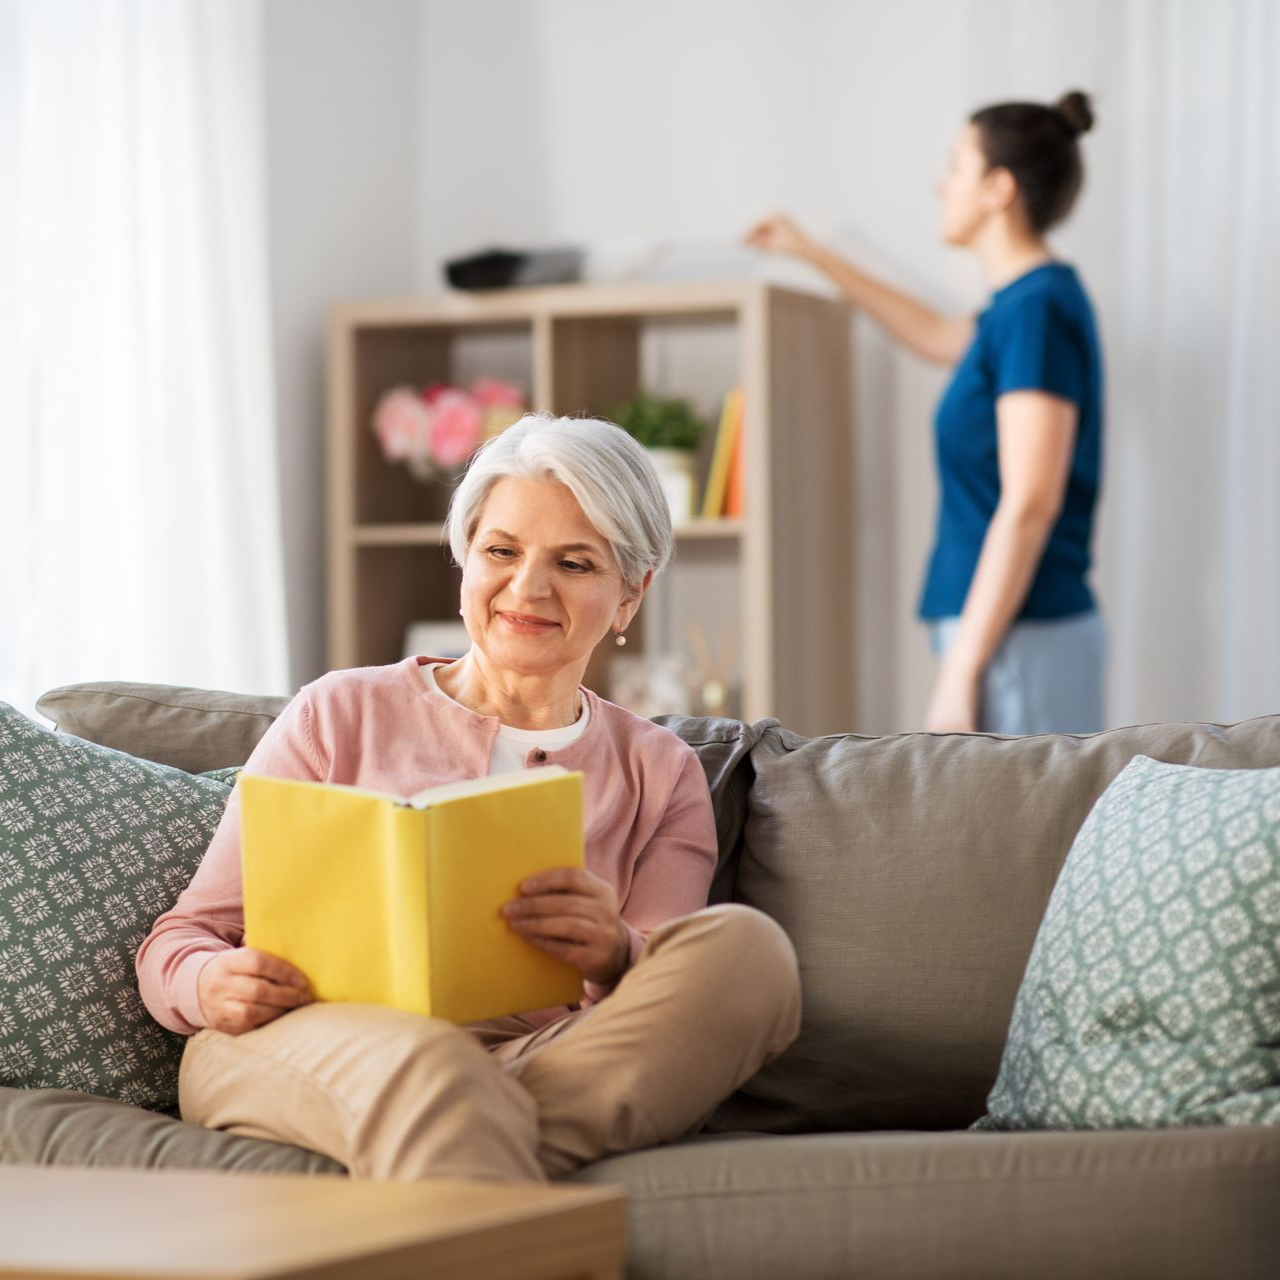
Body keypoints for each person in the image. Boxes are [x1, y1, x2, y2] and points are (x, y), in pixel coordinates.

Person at [136, 414, 800, 1182]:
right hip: (302, 1042)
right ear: (465, 563)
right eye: (501, 551)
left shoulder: (661, 770)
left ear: (630, 594)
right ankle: (470, 1124)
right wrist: (209, 982)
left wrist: (617, 953)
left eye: (575, 563)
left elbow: (666, 984)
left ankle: (462, 1134)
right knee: (432, 1068)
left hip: (536, 1056)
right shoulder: (337, 712)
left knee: (750, 957)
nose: (528, 587)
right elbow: (181, 939)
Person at [746, 91, 1105, 735]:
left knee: (1028, 838)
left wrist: (962, 671)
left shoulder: (1036, 311)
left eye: (956, 166)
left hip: (1020, 635)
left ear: (999, 188)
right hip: (1005, 633)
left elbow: (1031, 500)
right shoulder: (1015, 309)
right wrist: (812, 253)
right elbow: (935, 334)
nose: (940, 185)